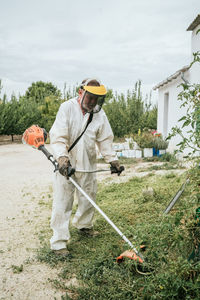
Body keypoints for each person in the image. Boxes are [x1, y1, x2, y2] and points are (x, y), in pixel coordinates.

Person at [49, 78, 123, 255]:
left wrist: (112, 160)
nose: (92, 102)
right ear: (81, 92)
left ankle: (84, 226)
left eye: (96, 99)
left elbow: (105, 139)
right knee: (63, 201)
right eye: (90, 97)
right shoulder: (67, 107)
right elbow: (59, 136)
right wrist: (62, 158)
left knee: (88, 197)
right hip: (66, 163)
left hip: (88, 162)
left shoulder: (99, 114)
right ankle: (59, 242)